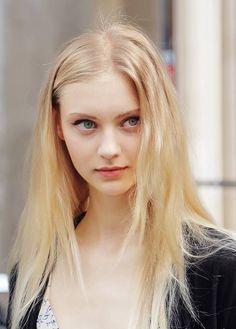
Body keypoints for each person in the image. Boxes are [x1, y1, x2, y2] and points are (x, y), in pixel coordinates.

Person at [6, 19, 236, 329]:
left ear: (160, 121)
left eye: (131, 121)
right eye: (86, 124)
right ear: (58, 125)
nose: (109, 148)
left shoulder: (220, 271)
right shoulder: (34, 272)